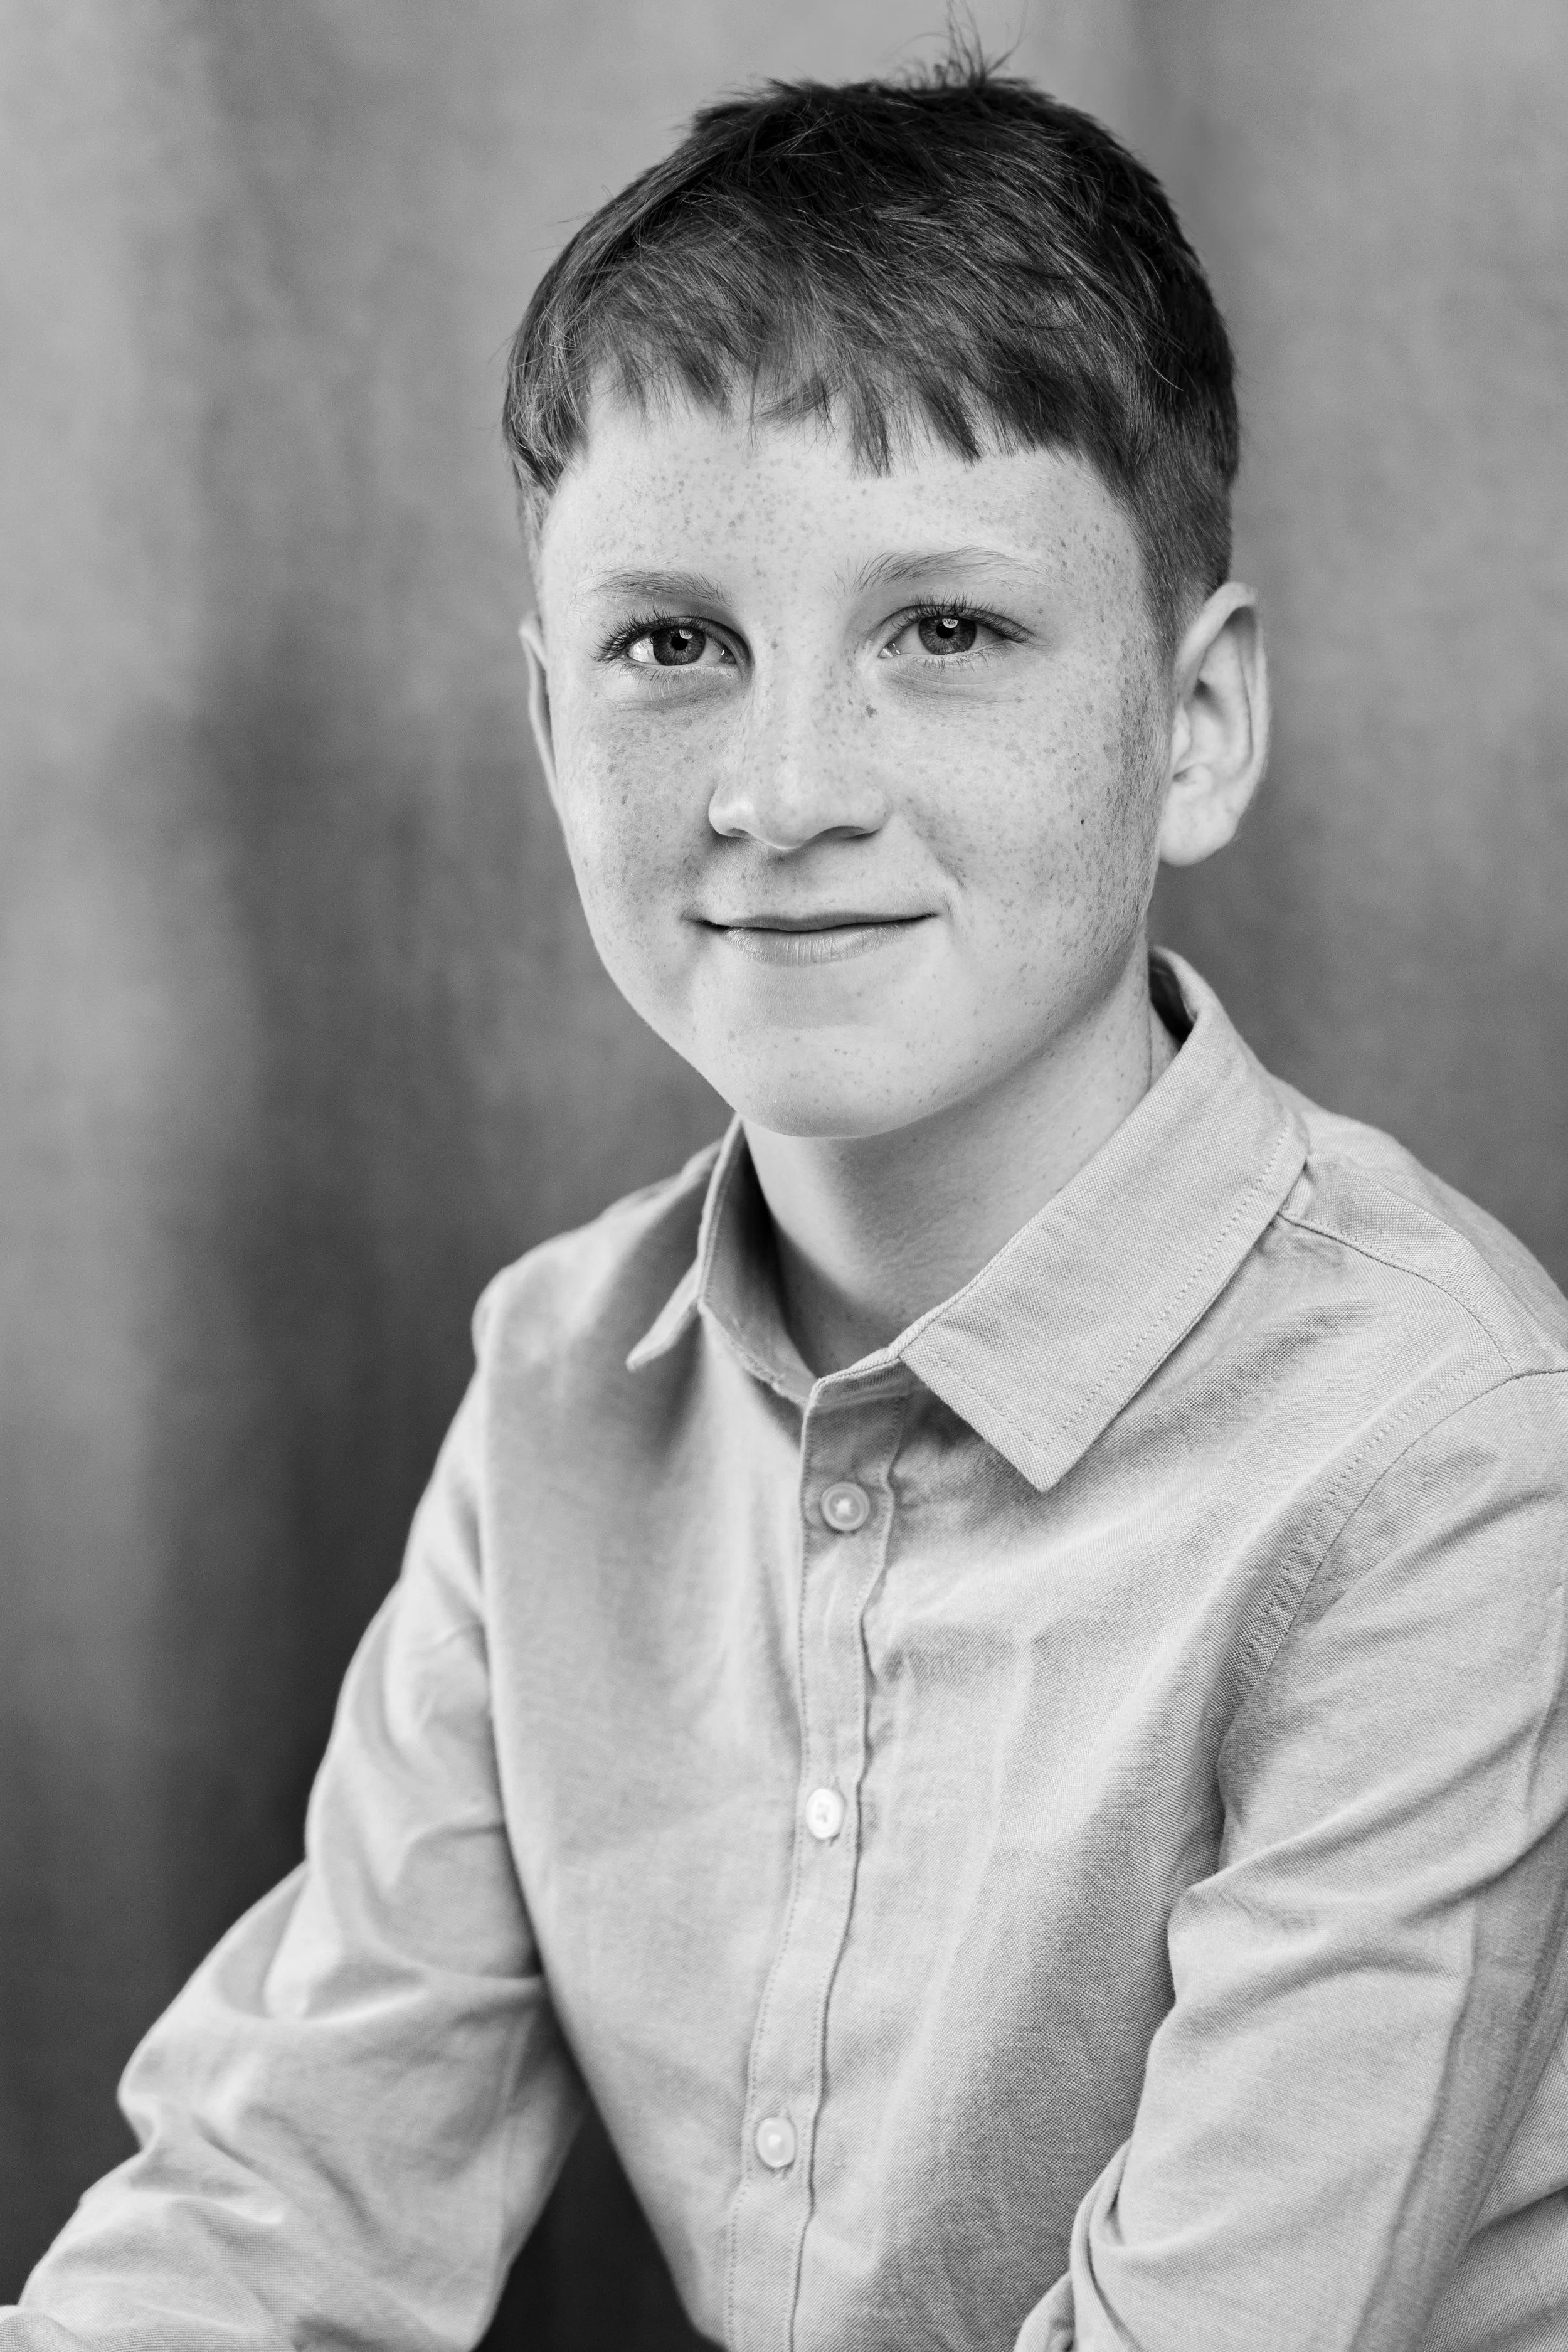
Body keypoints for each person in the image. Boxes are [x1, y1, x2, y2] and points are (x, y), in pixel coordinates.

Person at [7, 51, 1568, 2352]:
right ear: (553, 732)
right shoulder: (560, 1382)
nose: (781, 787)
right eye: (672, 645)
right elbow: (272, 2210)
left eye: (943, 631)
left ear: (1200, 724)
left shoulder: (1443, 1460)